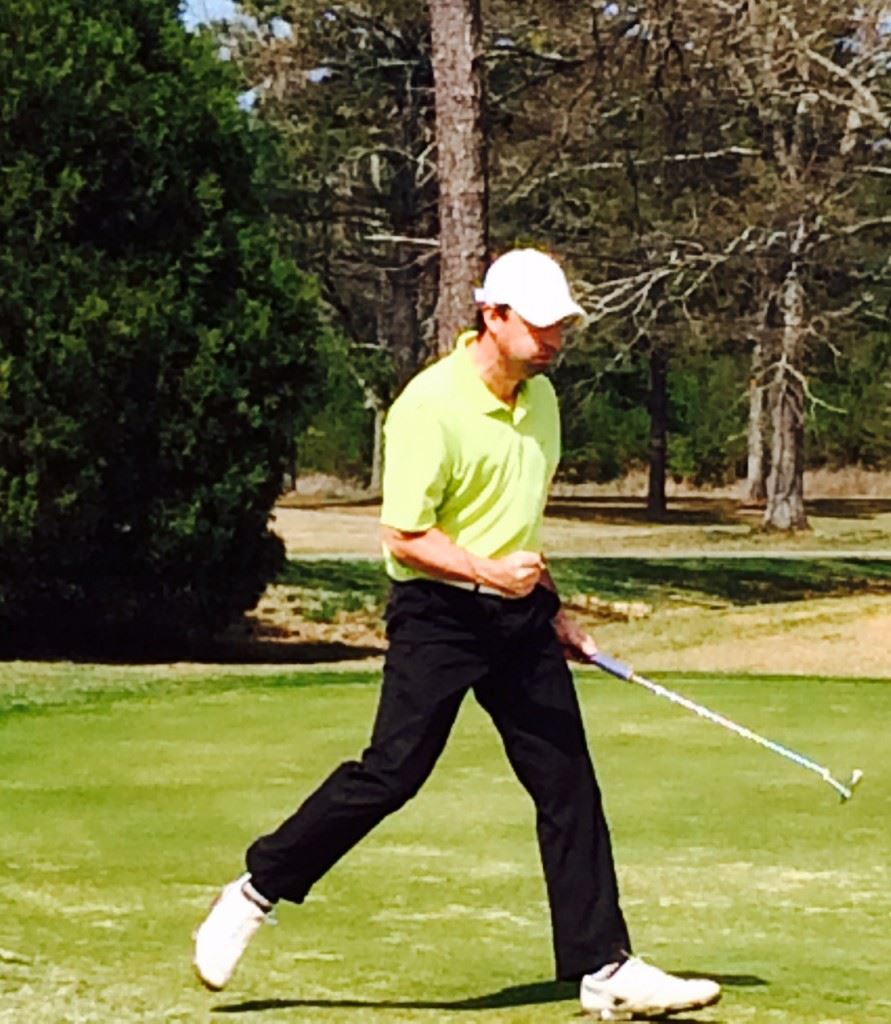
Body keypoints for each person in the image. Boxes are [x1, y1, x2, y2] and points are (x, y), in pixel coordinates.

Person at [193, 249, 721, 1020]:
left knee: (566, 781)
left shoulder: (541, 402)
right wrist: (484, 574)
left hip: (516, 612)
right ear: (492, 317)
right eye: (540, 326)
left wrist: (552, 607)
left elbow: (518, 526)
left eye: (561, 327)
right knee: (391, 774)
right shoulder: (427, 405)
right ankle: (255, 889)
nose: (553, 341)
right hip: (437, 614)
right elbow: (404, 536)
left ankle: (603, 967)